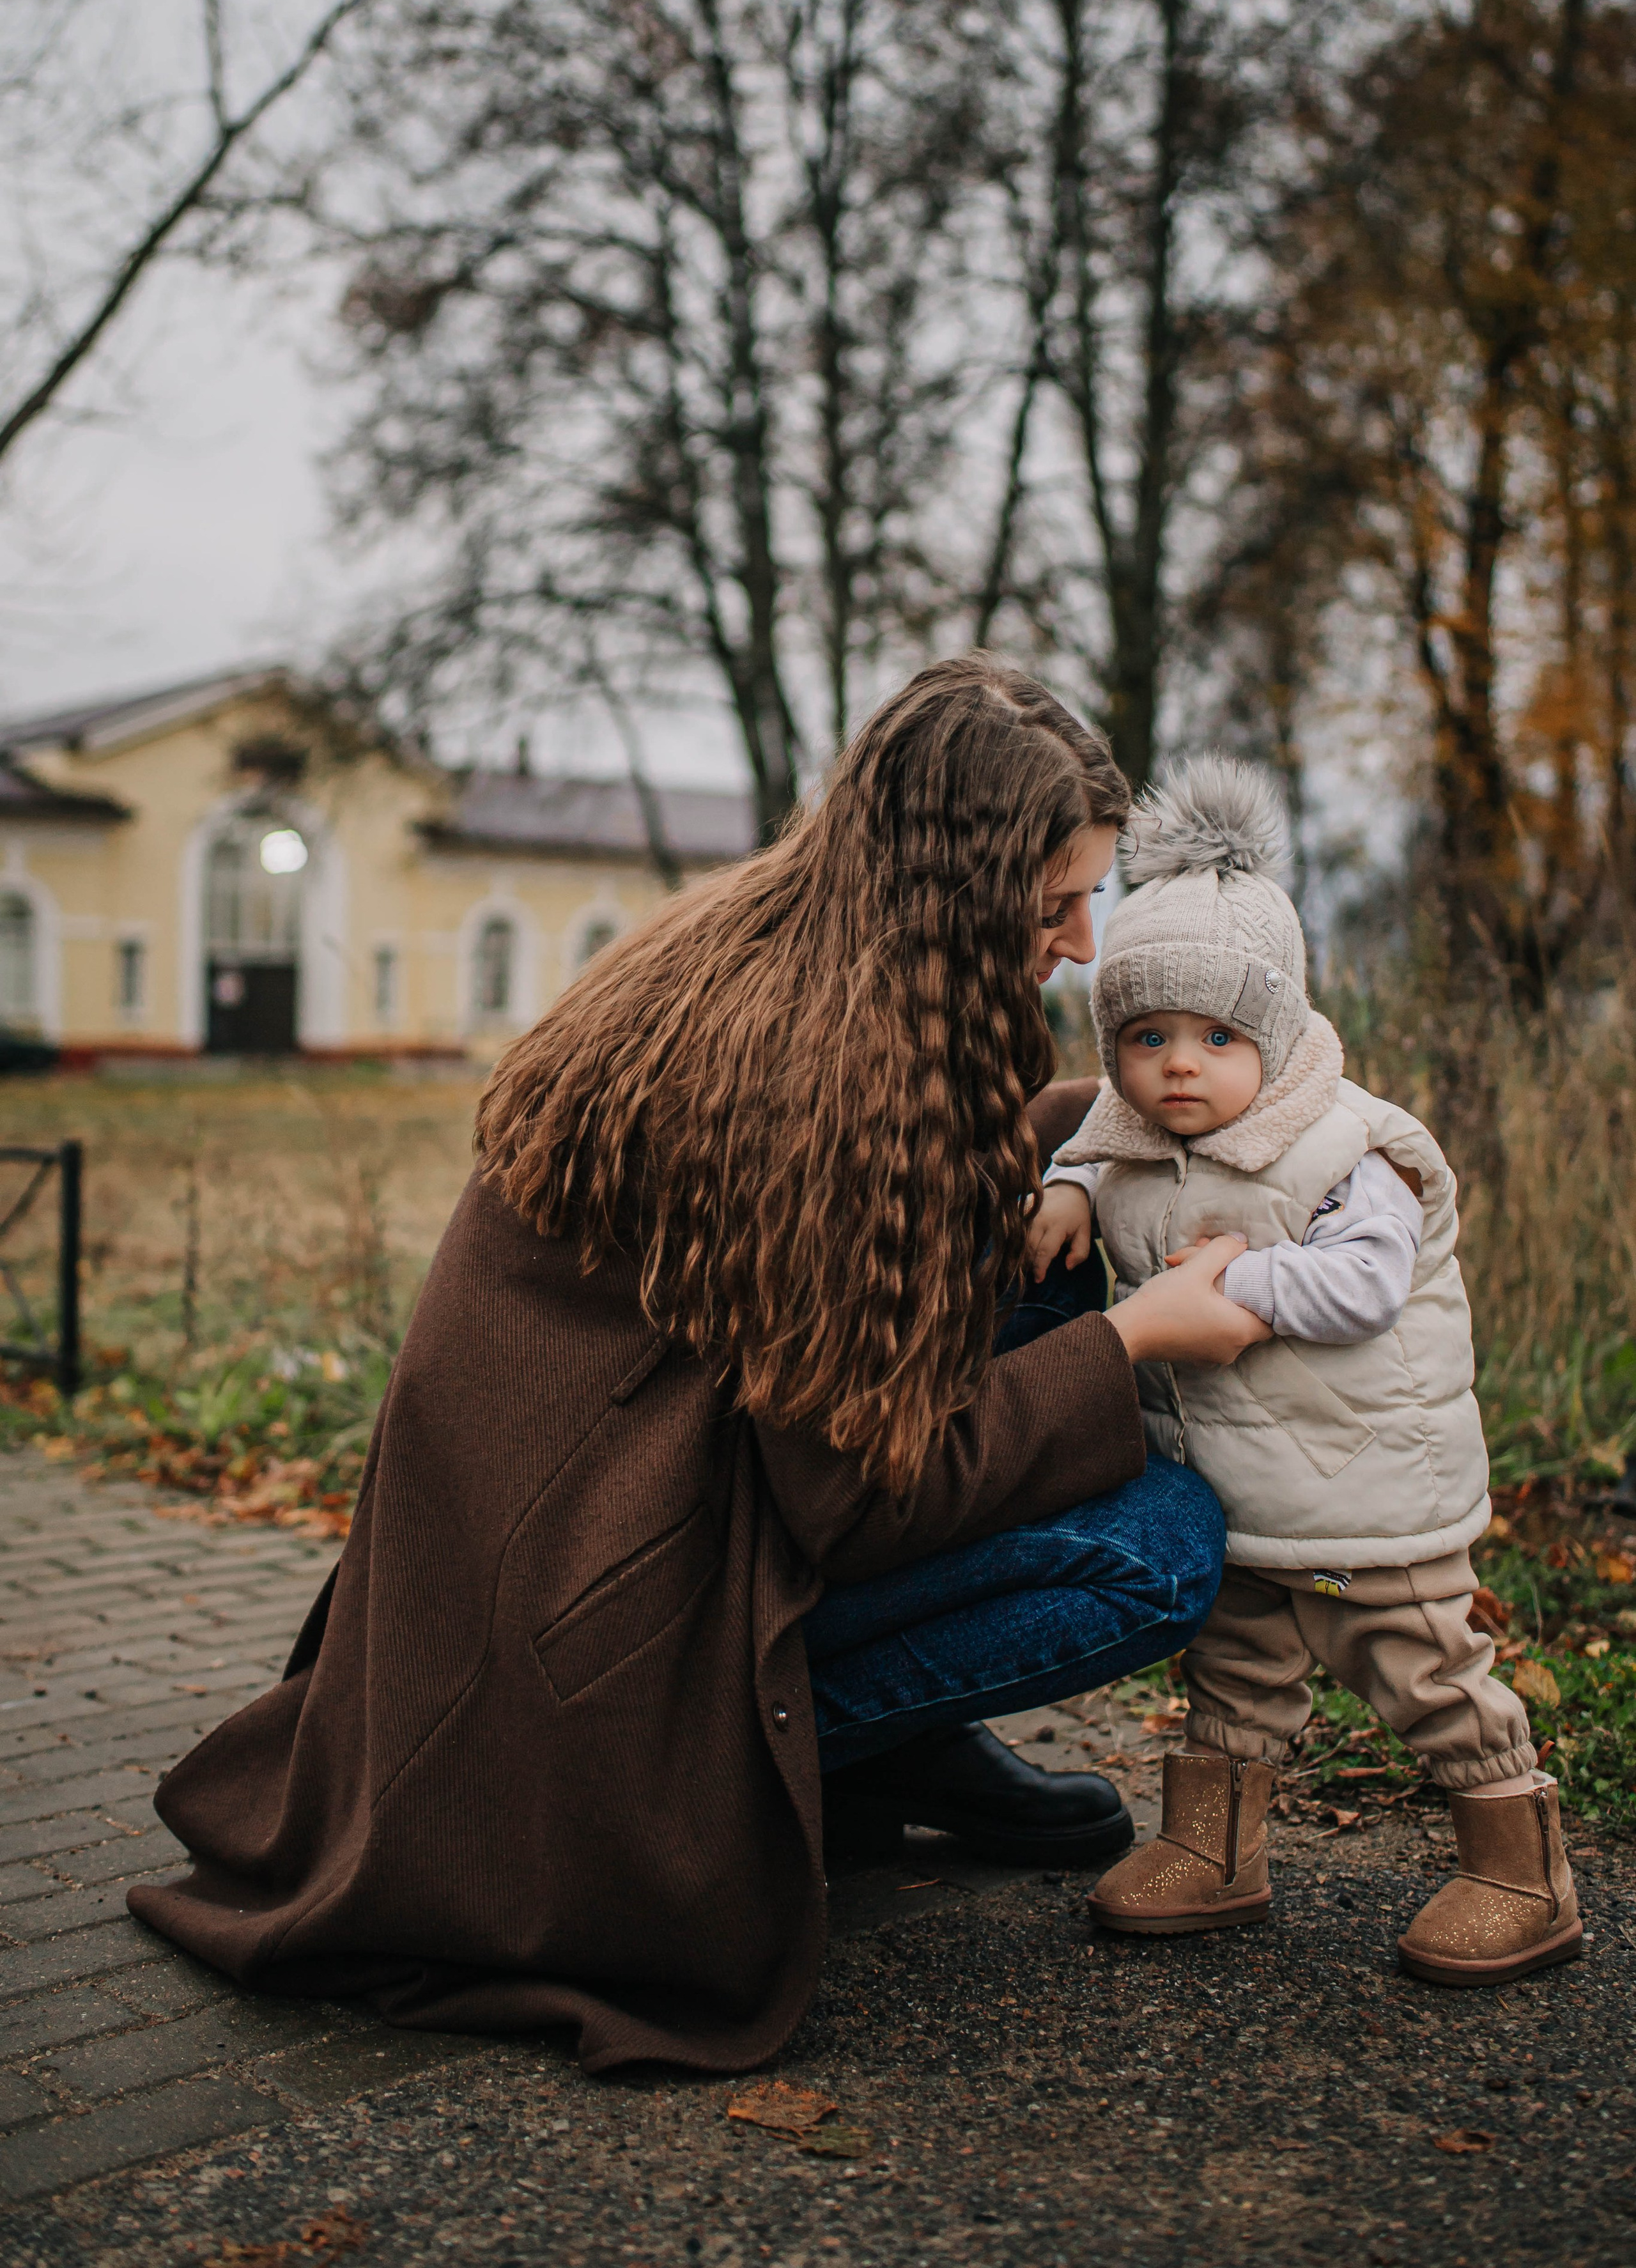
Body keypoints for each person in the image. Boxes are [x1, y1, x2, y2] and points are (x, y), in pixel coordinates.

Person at [128, 659, 1264, 2074]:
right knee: (1164, 1540)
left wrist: (1118, 1132)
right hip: (597, 1658)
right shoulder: (826, 1089)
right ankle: (817, 1750)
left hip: (544, 1551)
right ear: (953, 892)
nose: (1083, 945)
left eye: (1091, 898)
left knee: (1039, 1276)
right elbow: (864, 1502)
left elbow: (927, 1228)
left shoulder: (767, 945)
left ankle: (888, 1746)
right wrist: (1133, 1341)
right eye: (1050, 906)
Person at [1026, 757, 1579, 1986]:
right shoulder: (1131, 1140)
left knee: (1422, 1671)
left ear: (1274, 1040)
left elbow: (1367, 1285)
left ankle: (1519, 1867)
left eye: (1217, 1037)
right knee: (1233, 1673)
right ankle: (1216, 1851)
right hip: (1247, 1505)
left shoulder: (1342, 1150)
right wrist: (1064, 1189)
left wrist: (1244, 1285)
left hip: (1367, 1509)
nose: (1180, 1065)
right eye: (1148, 1037)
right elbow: (1092, 1146)